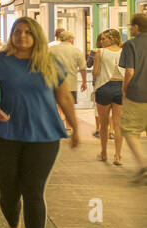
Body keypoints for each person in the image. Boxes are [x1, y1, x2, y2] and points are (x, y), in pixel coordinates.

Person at [0, 17, 78, 228]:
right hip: (4, 135)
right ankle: (13, 227)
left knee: (33, 192)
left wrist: (75, 128)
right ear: (11, 35)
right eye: (18, 31)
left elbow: (63, 96)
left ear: (37, 36)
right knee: (8, 193)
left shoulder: (50, 62)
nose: (22, 36)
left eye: (28, 32)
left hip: (44, 137)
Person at [116, 13, 147, 180]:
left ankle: (142, 164)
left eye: (131, 26)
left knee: (130, 130)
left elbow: (129, 71)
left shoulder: (130, 45)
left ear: (136, 27)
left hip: (138, 95)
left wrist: (125, 91)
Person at [90, 28, 124, 164]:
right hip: (121, 88)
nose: (101, 41)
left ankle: (104, 152)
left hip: (104, 88)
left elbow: (95, 72)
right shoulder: (125, 52)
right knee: (118, 124)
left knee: (103, 124)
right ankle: (118, 155)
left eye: (104, 38)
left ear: (112, 39)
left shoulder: (100, 53)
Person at [49, 29, 85, 132]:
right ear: (70, 39)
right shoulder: (76, 50)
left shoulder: (52, 49)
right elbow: (82, 67)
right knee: (69, 105)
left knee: (56, 104)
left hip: (55, 82)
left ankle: (59, 123)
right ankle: (68, 126)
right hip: (71, 83)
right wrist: (84, 82)